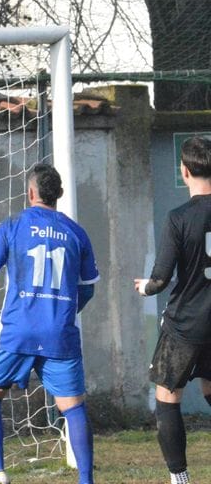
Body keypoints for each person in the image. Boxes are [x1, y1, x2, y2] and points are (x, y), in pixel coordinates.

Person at [0, 163, 99, 484]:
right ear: (59, 194)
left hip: (16, 331)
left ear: (30, 193)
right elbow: (88, 287)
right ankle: (86, 480)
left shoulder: (13, 225)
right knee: (73, 408)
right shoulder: (76, 232)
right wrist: (63, 311)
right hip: (59, 333)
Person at [134, 135, 211, 484]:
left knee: (167, 395)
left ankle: (180, 478)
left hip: (185, 325)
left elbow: (161, 278)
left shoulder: (179, 217)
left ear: (184, 171)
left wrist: (145, 287)